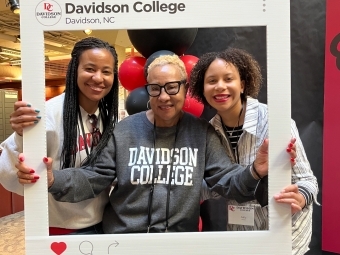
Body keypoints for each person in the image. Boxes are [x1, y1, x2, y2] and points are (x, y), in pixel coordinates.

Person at [16, 54, 279, 234]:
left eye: (172, 87)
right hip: (124, 241)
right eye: (155, 88)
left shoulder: (202, 133)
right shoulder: (125, 129)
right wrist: (54, 180)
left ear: (186, 89)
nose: (164, 96)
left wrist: (254, 171)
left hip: (177, 244)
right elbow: (94, 176)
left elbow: (226, 180)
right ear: (147, 90)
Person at [189, 48, 319, 254]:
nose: (220, 86)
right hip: (242, 236)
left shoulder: (273, 121)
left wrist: (301, 197)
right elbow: (213, 187)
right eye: (212, 81)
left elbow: (309, 182)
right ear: (202, 89)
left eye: (228, 79)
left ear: (242, 84)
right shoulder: (208, 131)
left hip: (285, 236)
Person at [0, 37, 119, 235]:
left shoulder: (109, 119)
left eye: (106, 71)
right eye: (90, 69)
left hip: (103, 223)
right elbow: (8, 173)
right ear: (74, 70)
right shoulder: (47, 114)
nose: (98, 78)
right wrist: (22, 136)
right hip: (59, 228)